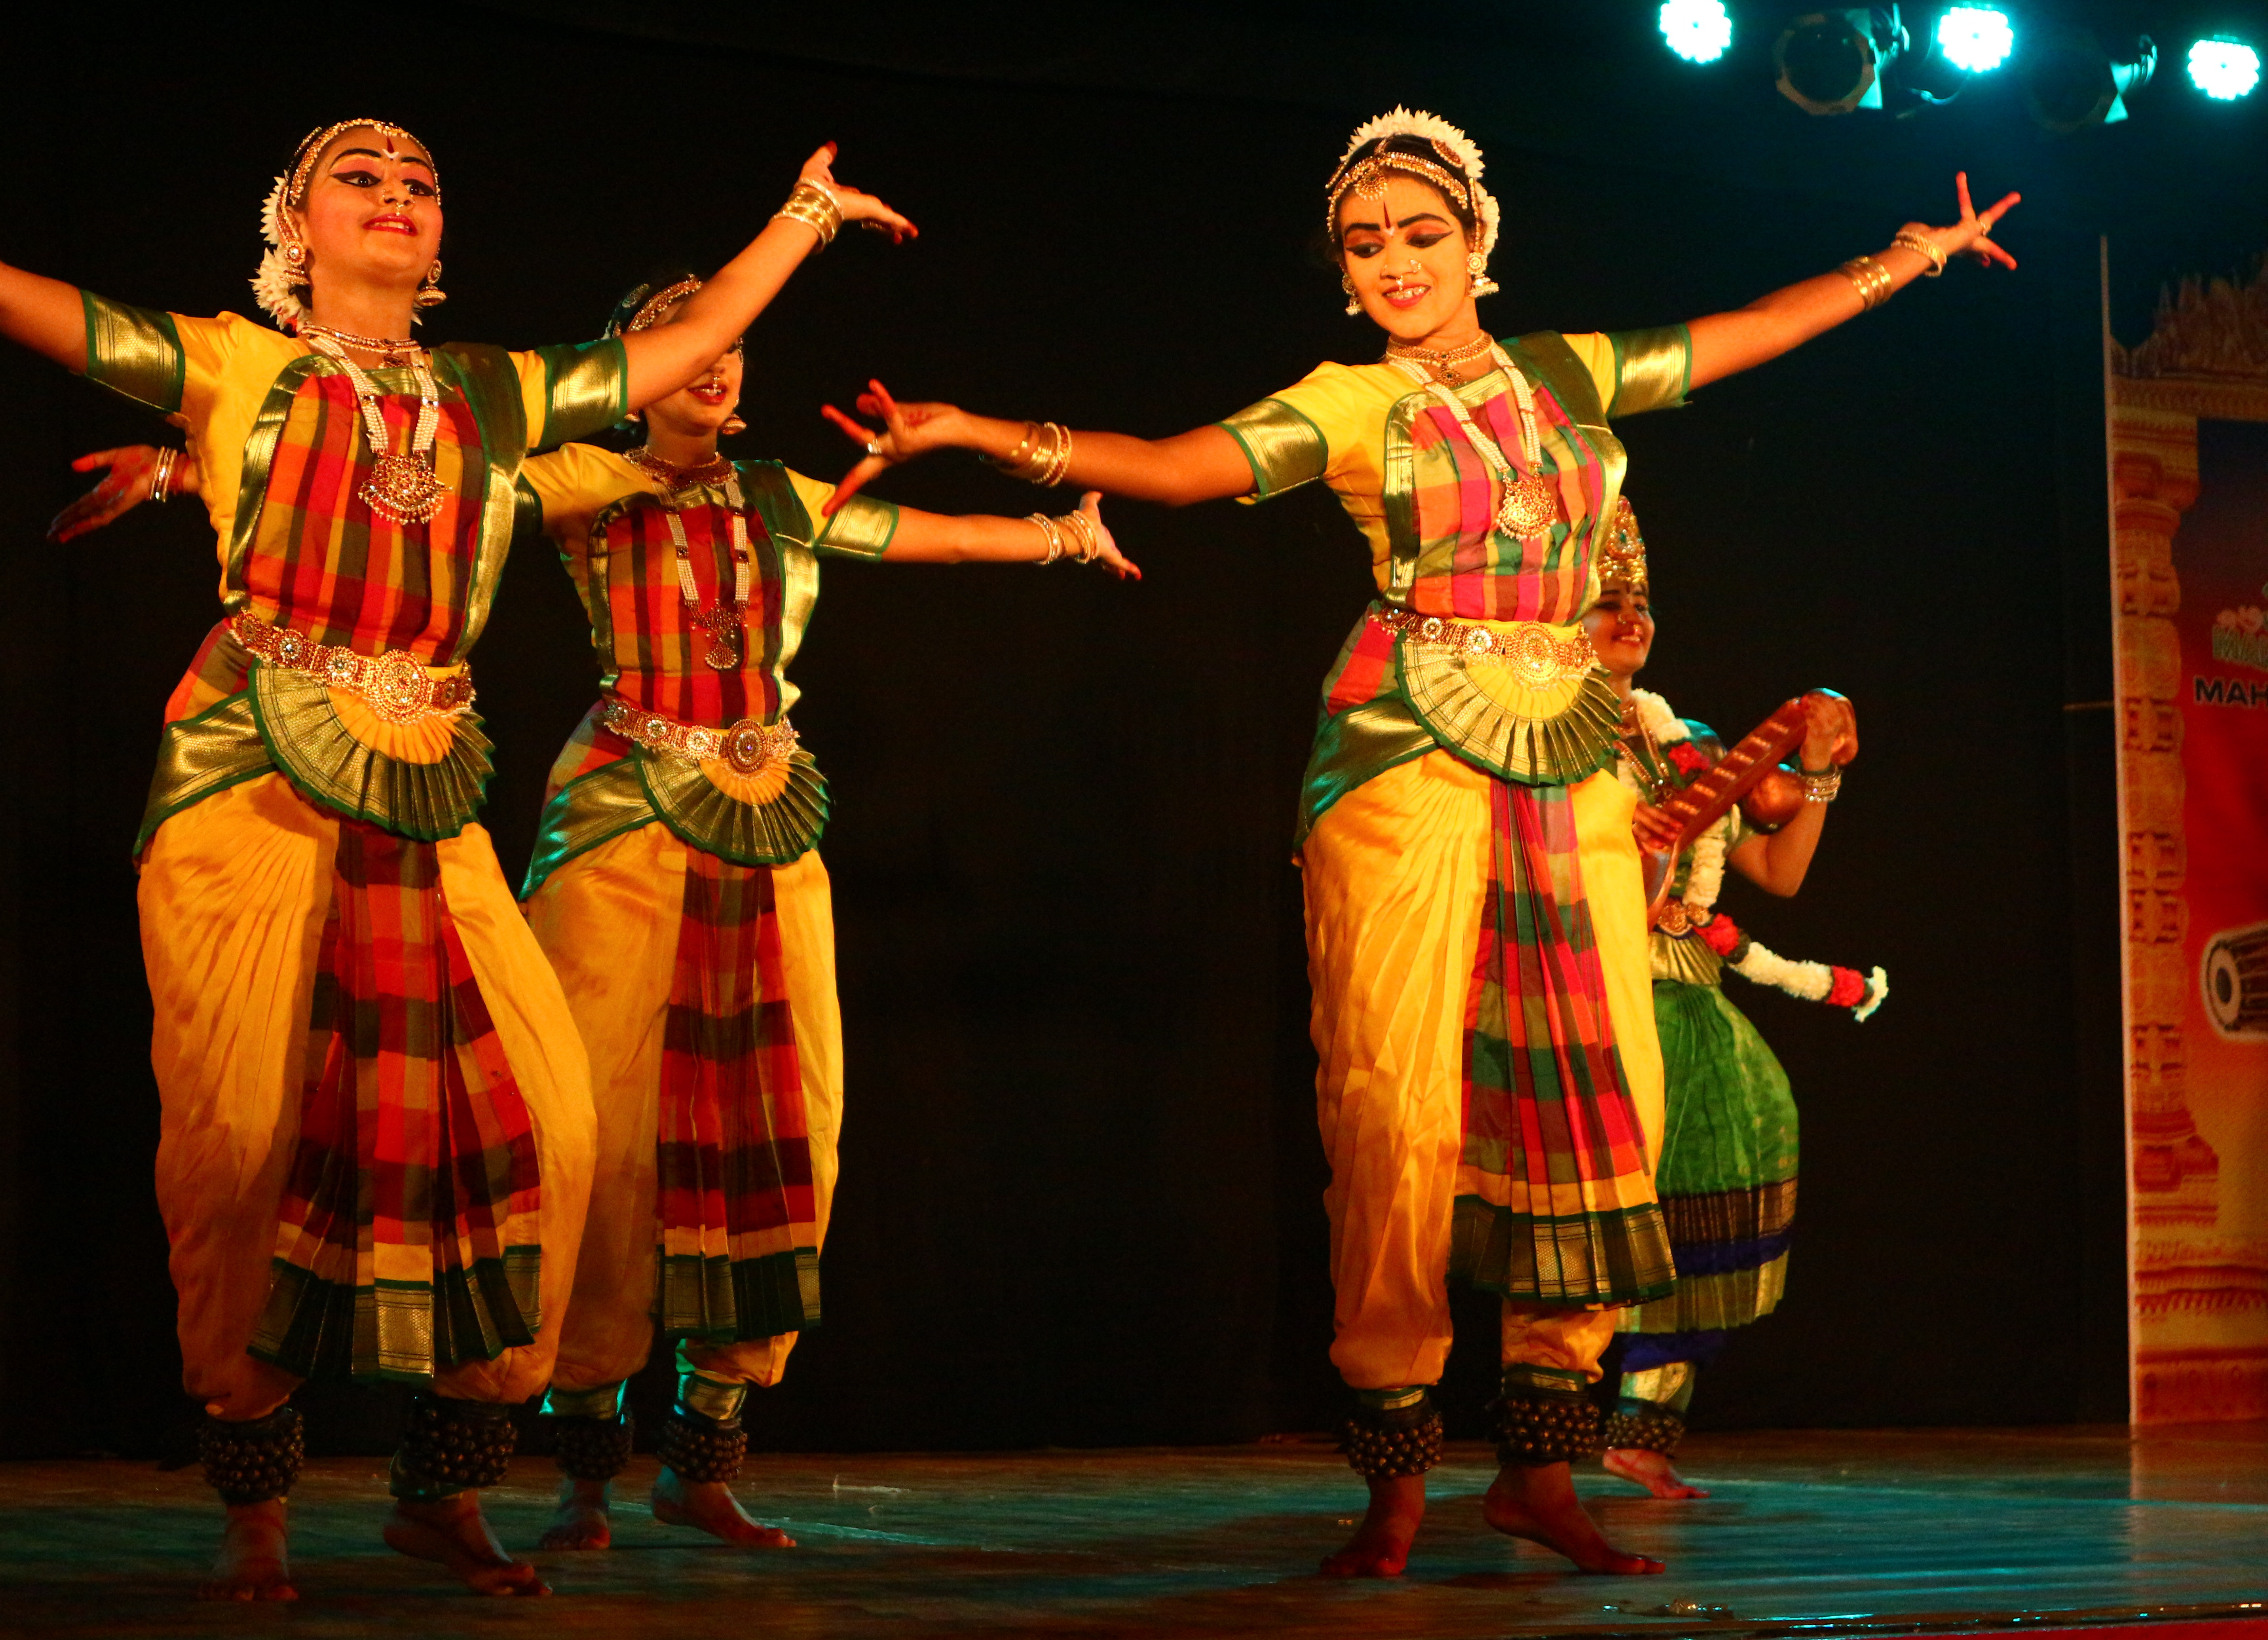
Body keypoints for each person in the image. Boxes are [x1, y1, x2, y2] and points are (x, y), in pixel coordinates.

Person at [817, 106, 2013, 1577]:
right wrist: (973, 433)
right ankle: (1393, 1471)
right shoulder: (1349, 403)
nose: (1395, 262)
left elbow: (1752, 332)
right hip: (1402, 751)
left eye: (1422, 234)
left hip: (1569, 753)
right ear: (1343, 273)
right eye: (1366, 244)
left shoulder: (1569, 376)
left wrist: (1911, 256)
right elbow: (1179, 468)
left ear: (1477, 244)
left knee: (1599, 1095)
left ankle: (1540, 1467)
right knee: (1396, 1103)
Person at [0, 120, 911, 1601]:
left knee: (548, 1131)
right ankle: (255, 1508)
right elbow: (0, 289)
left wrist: (804, 215)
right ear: (297, 228)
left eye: (420, 183)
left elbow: (687, 345)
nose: (397, 193)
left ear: (441, 238)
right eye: (361, 176)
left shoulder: (497, 394)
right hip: (246, 772)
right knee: (243, 1141)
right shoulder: (232, 365)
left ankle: (442, 1490)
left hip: (425, 781)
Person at [72, 275, 1137, 1555]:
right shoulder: (578, 484)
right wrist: (188, 470)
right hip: (622, 815)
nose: (714, 365)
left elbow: (929, 540)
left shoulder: (781, 500)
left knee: (784, 1127)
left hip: (767, 819)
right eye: (683, 340)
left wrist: (1062, 537)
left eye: (730, 347)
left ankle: (702, 1464)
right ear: (642, 365)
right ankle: (573, 1482)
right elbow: (400, 492)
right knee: (601, 1144)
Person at [1580, 501, 1883, 1502]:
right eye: (1607, 603)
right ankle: (1542, 1429)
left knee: (1726, 1165)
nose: (1631, 619)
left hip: (1689, 992)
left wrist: (1819, 777)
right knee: (1587, 1212)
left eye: (1642, 605)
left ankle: (1643, 1428)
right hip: (1591, 986)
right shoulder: (1541, 739)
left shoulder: (1694, 743)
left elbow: (1779, 874)